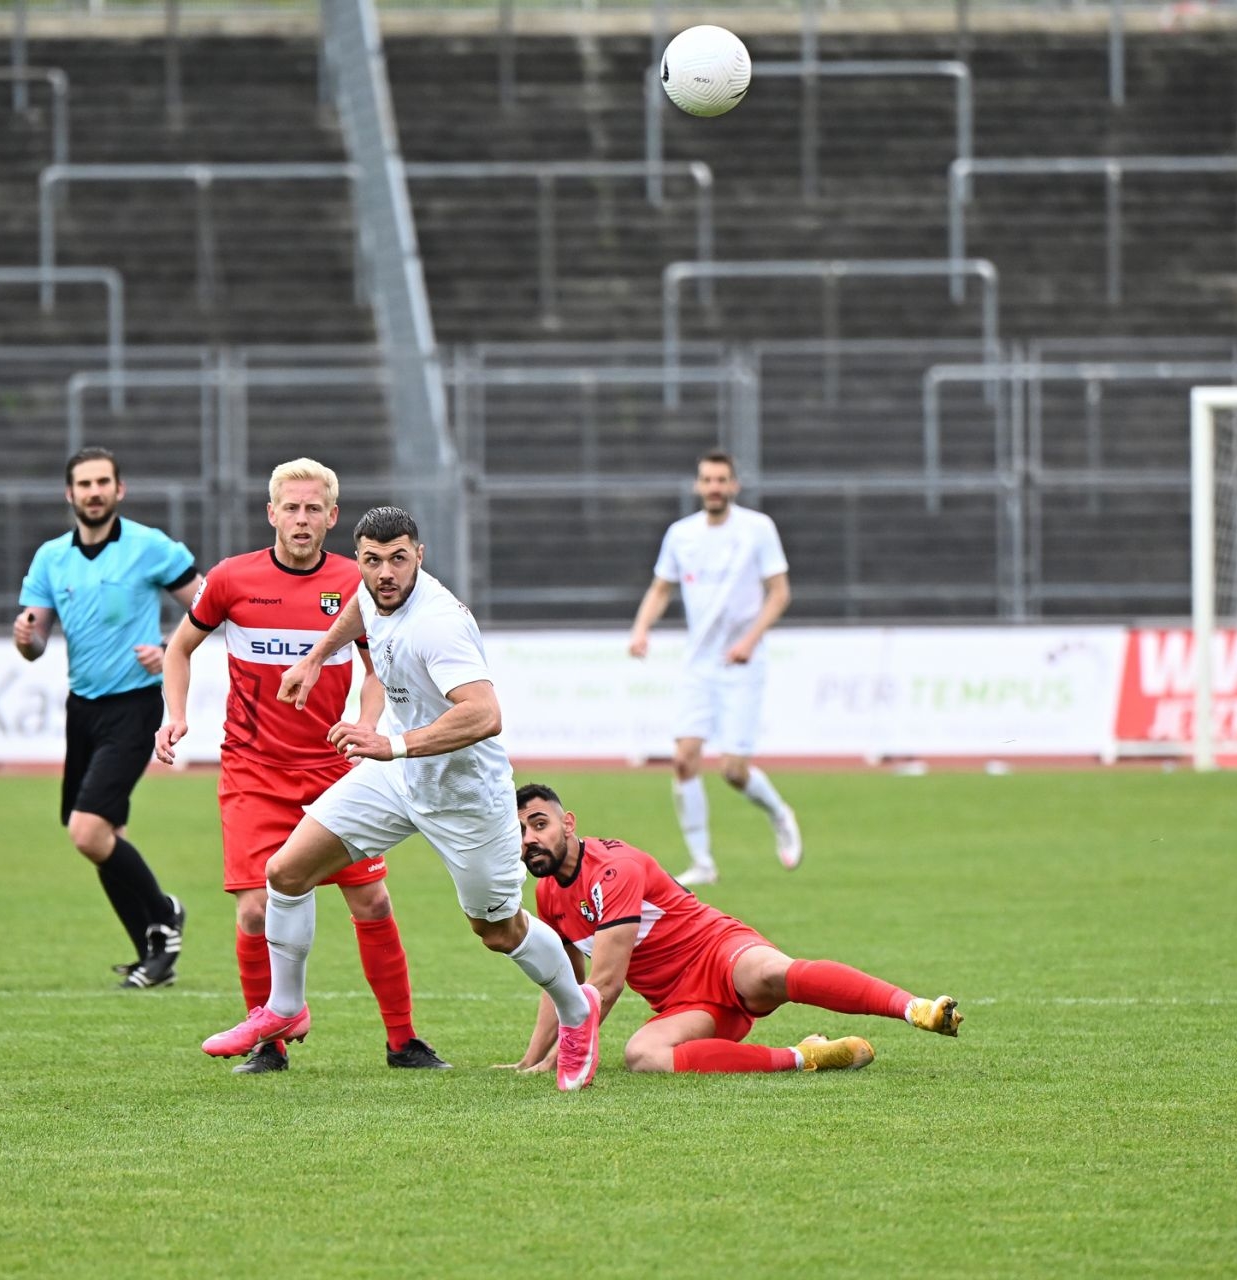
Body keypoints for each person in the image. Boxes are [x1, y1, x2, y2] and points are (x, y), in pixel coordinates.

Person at [199, 506, 601, 1092]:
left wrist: (394, 744)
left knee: (497, 930)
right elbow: (360, 609)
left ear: (420, 556)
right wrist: (313, 660)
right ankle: (284, 1007)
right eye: (372, 560)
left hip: (463, 795)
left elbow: (485, 715)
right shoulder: (370, 591)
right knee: (285, 872)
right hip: (397, 777)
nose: (385, 572)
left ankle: (577, 1010)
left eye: (398, 559)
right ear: (358, 559)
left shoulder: (436, 624)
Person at [156, 460, 448, 1074]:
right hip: (253, 771)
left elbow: (378, 671)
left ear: (332, 517)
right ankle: (270, 1043)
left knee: (371, 902)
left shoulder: (357, 581)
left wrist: (368, 725)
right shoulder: (234, 579)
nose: (301, 518)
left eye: (314, 508)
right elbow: (180, 647)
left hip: (333, 771)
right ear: (271, 513)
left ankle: (403, 1041)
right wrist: (174, 714)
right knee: (255, 910)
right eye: (291, 507)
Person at [500, 782, 963, 1076]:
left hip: (719, 951)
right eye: (519, 832)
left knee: (770, 975)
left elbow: (604, 984)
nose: (530, 839)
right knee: (644, 1056)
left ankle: (915, 1007)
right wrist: (531, 1058)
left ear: (568, 823)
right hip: (687, 1005)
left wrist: (567, 1056)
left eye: (539, 824)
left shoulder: (612, 870)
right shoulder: (548, 893)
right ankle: (806, 1056)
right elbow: (564, 984)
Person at [15, 446, 204, 989]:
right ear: (69, 494)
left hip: (135, 706)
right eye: (84, 484)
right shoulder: (51, 557)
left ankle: (165, 919)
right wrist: (25, 637)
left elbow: (208, 605)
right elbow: (35, 641)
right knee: (103, 834)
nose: (94, 492)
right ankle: (151, 950)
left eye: (103, 482)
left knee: (88, 831)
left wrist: (170, 646)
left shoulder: (149, 547)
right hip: (84, 709)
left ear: (119, 490)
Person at [628, 450, 801, 887]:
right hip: (698, 664)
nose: (714, 487)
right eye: (707, 480)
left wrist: (749, 639)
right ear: (698, 486)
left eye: (722, 480)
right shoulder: (681, 535)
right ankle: (703, 861)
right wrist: (641, 629)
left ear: (734, 485)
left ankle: (780, 813)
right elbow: (660, 588)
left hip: (743, 663)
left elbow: (779, 593)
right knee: (684, 760)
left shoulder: (758, 529)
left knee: (733, 770)